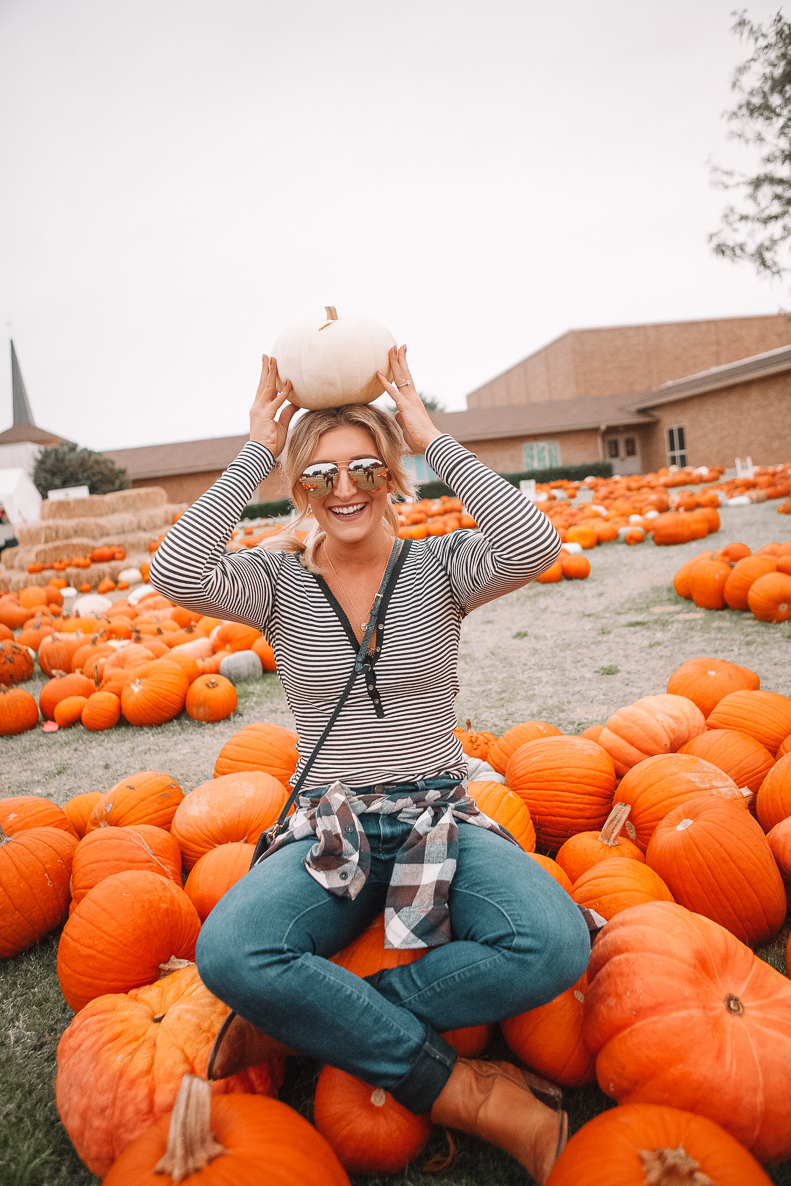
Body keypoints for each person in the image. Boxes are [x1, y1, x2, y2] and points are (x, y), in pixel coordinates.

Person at [149, 345, 590, 1183]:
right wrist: (253, 448)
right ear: (298, 488)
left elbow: (533, 542)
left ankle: (303, 1022)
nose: (342, 489)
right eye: (318, 476)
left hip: (439, 813)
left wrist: (425, 430)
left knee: (553, 944)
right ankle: (463, 1090)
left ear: (391, 475)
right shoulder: (274, 585)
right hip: (331, 825)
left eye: (362, 468)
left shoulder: (442, 568)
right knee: (232, 954)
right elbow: (176, 570)